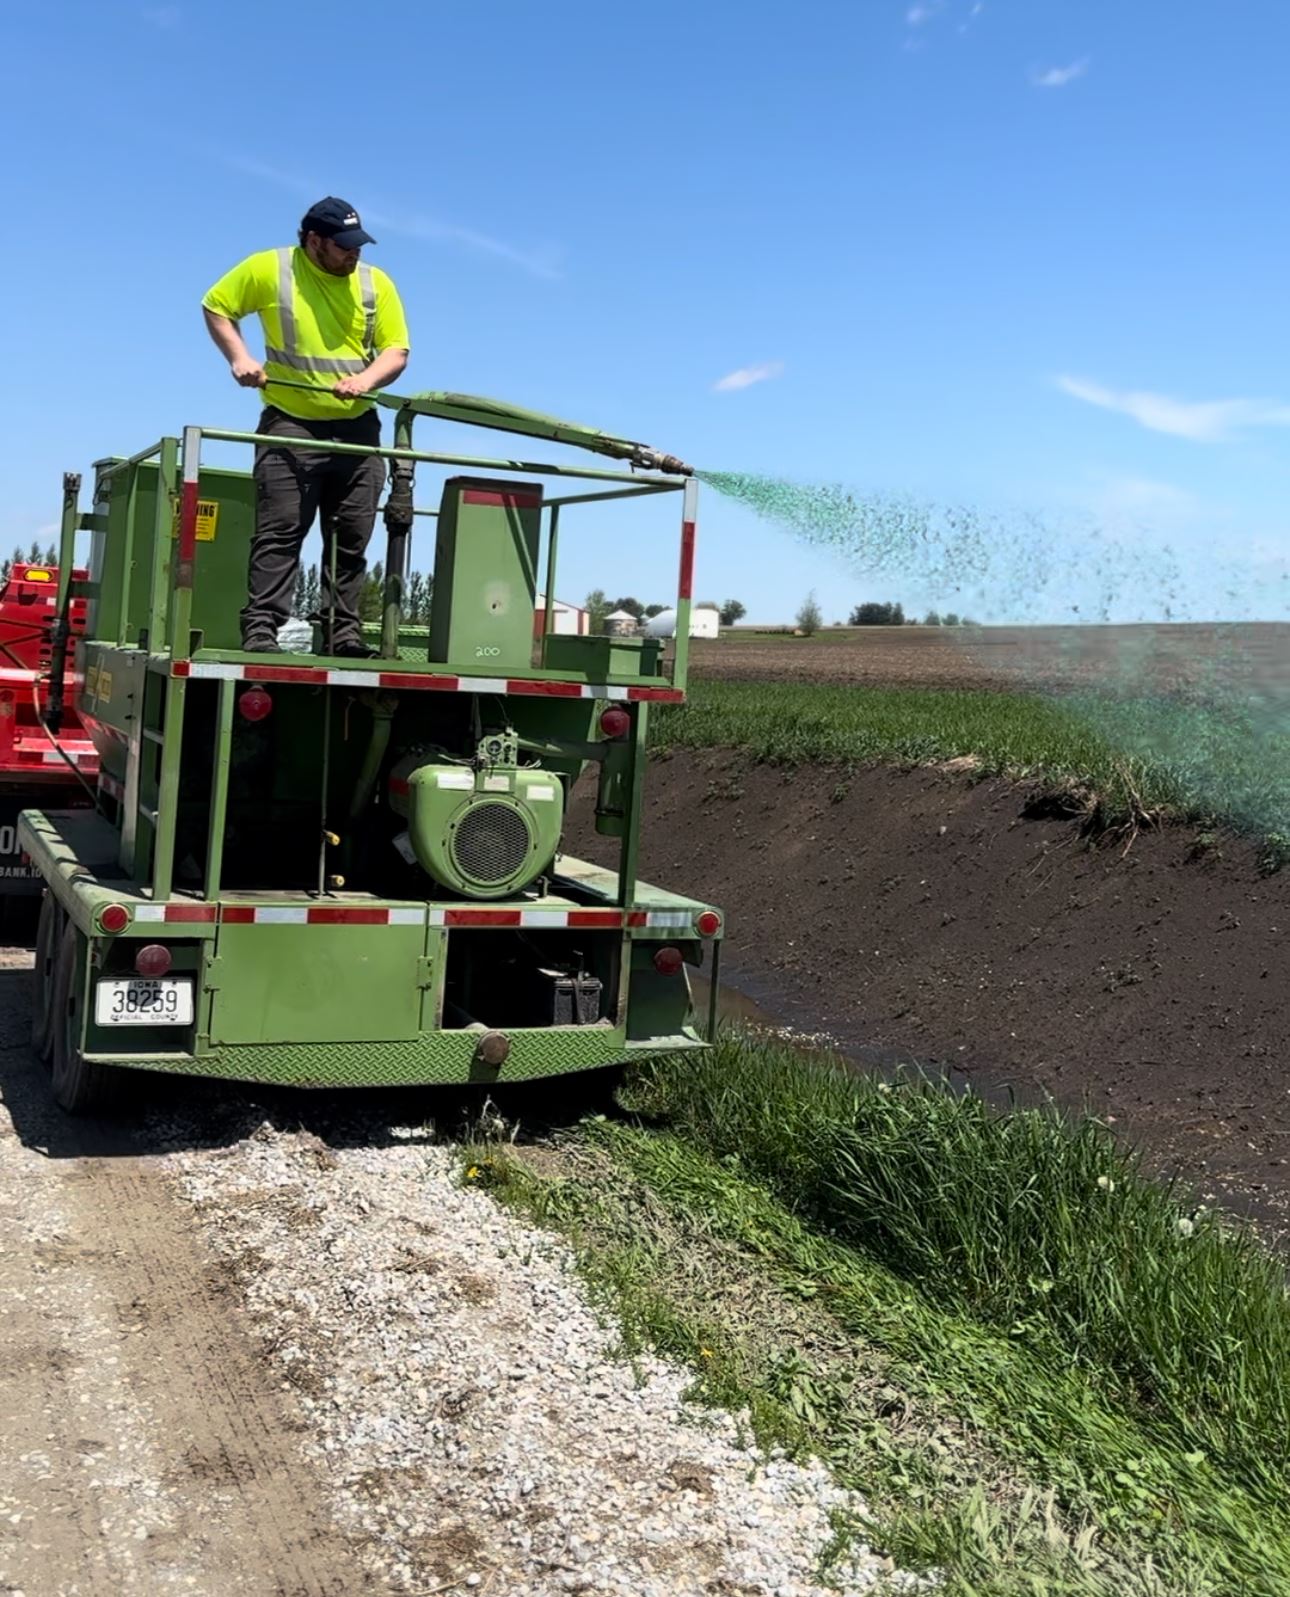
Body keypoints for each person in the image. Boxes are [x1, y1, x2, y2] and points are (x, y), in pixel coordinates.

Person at [201, 198, 411, 655]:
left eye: (358, 245)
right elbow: (216, 305)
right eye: (343, 246)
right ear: (313, 241)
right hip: (290, 424)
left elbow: (397, 351)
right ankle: (261, 631)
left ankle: (342, 637)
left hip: (358, 428)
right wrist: (239, 358)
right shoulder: (270, 268)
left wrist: (366, 380)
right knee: (281, 531)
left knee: (351, 537)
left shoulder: (376, 284)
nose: (353, 254)